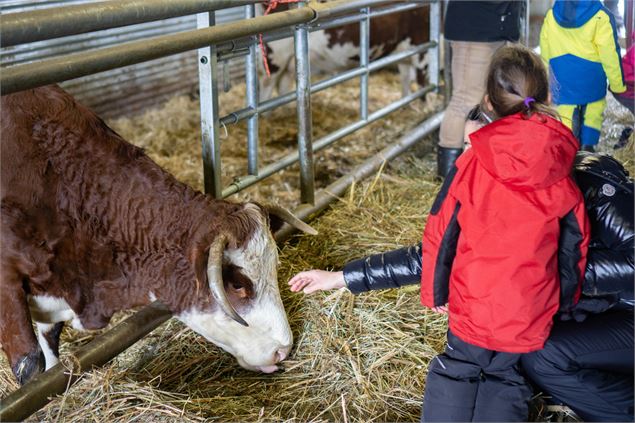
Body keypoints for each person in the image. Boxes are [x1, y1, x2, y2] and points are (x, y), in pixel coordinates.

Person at [291, 45, 591, 422]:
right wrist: (559, 302)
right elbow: (574, 245)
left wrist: (435, 292)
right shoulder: (562, 164)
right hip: (528, 313)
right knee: (507, 376)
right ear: (546, 97)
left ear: (488, 101)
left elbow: (441, 232)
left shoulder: (472, 161)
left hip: (472, 305)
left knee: (459, 368)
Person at [436, 0, 521, 178]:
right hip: (474, 29)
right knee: (465, 100)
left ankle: (474, 169)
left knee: (488, 99)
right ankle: (448, 177)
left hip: (495, 28)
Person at [540, 0, 626, 152]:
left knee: (565, 114)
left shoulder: (552, 15)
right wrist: (617, 84)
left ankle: (567, 147)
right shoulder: (601, 16)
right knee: (593, 111)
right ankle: (587, 147)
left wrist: (548, 81)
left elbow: (545, 52)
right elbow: (610, 55)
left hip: (562, 81)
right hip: (591, 80)